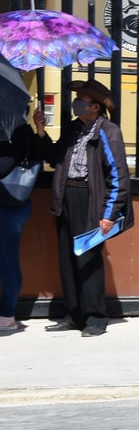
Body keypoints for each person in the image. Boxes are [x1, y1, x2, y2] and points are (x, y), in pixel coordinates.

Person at [33, 80, 134, 337]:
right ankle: (73, 313)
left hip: (91, 201)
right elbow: (54, 156)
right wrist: (41, 129)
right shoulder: (72, 128)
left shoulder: (108, 131)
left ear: (96, 106)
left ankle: (95, 318)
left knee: (88, 259)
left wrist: (109, 214)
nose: (76, 102)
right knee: (68, 258)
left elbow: (118, 175)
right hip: (66, 198)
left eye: (82, 99)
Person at [0, 110, 46, 332]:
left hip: (9, 205)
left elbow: (5, 165)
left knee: (7, 261)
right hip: (10, 205)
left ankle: (7, 314)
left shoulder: (17, 131)